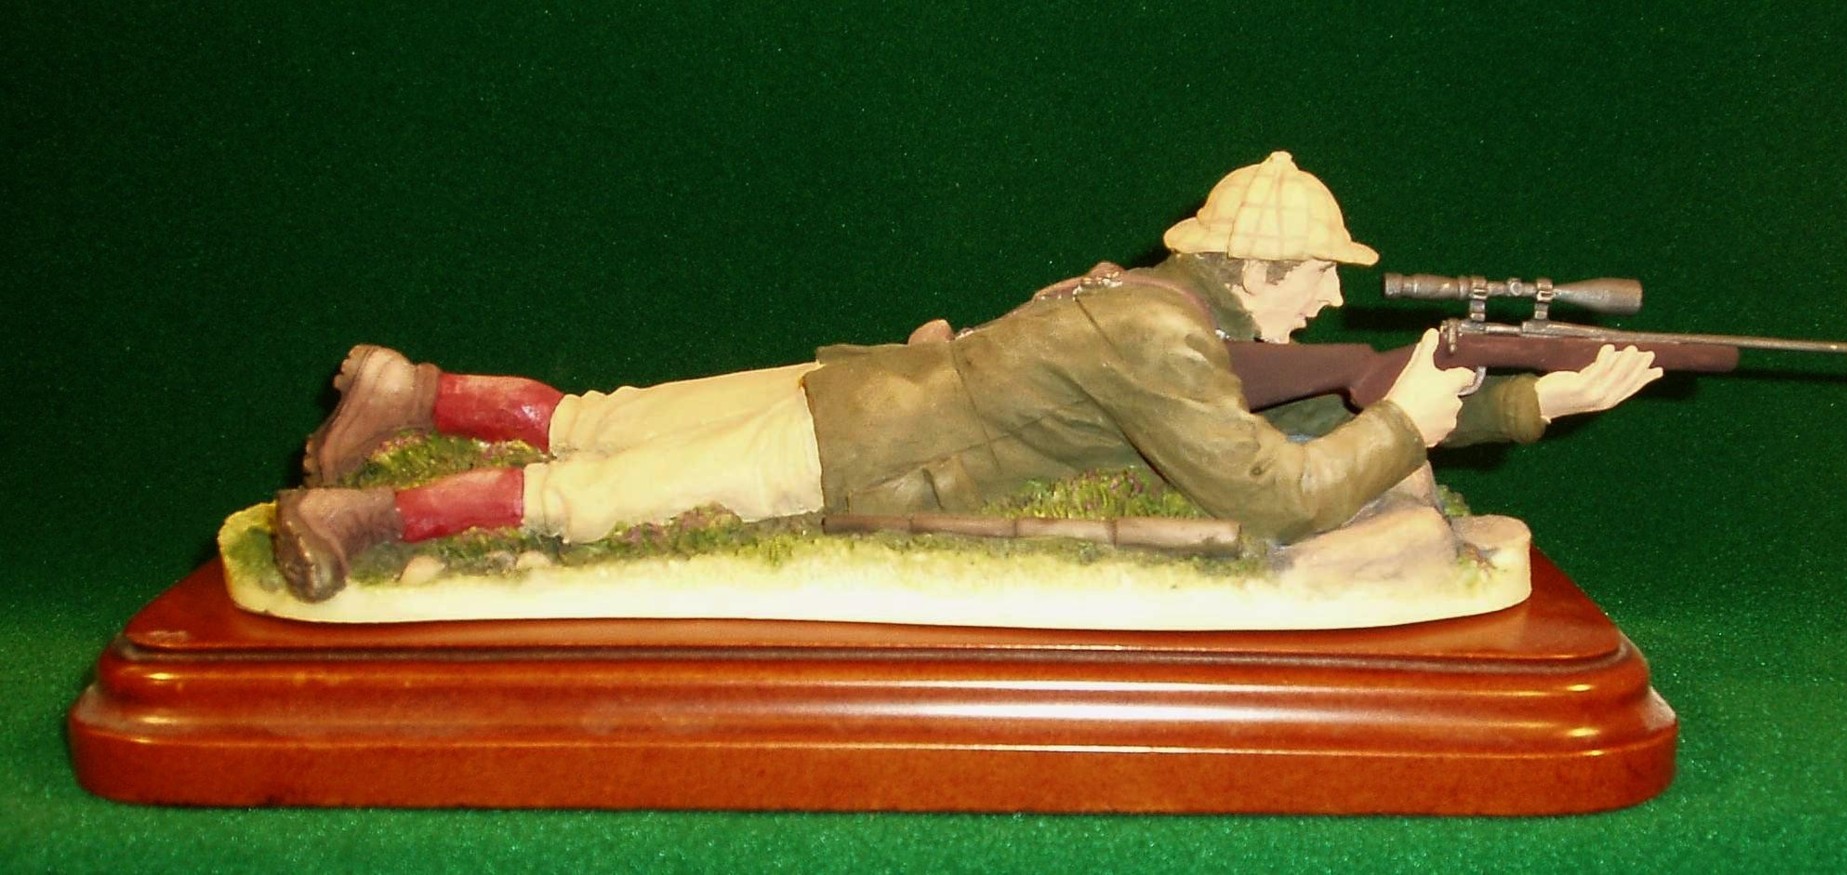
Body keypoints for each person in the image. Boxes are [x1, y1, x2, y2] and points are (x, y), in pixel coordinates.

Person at [272, 152, 1659, 601]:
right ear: (1258, 269)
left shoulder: (1156, 298)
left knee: (598, 419)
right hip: (859, 452)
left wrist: (1529, 401)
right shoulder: (1167, 341)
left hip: (859, 388)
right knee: (597, 499)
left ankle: (416, 395)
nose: (1330, 294)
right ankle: (369, 517)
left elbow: (1309, 396)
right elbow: (1280, 492)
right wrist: (1415, 412)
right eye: (1316, 274)